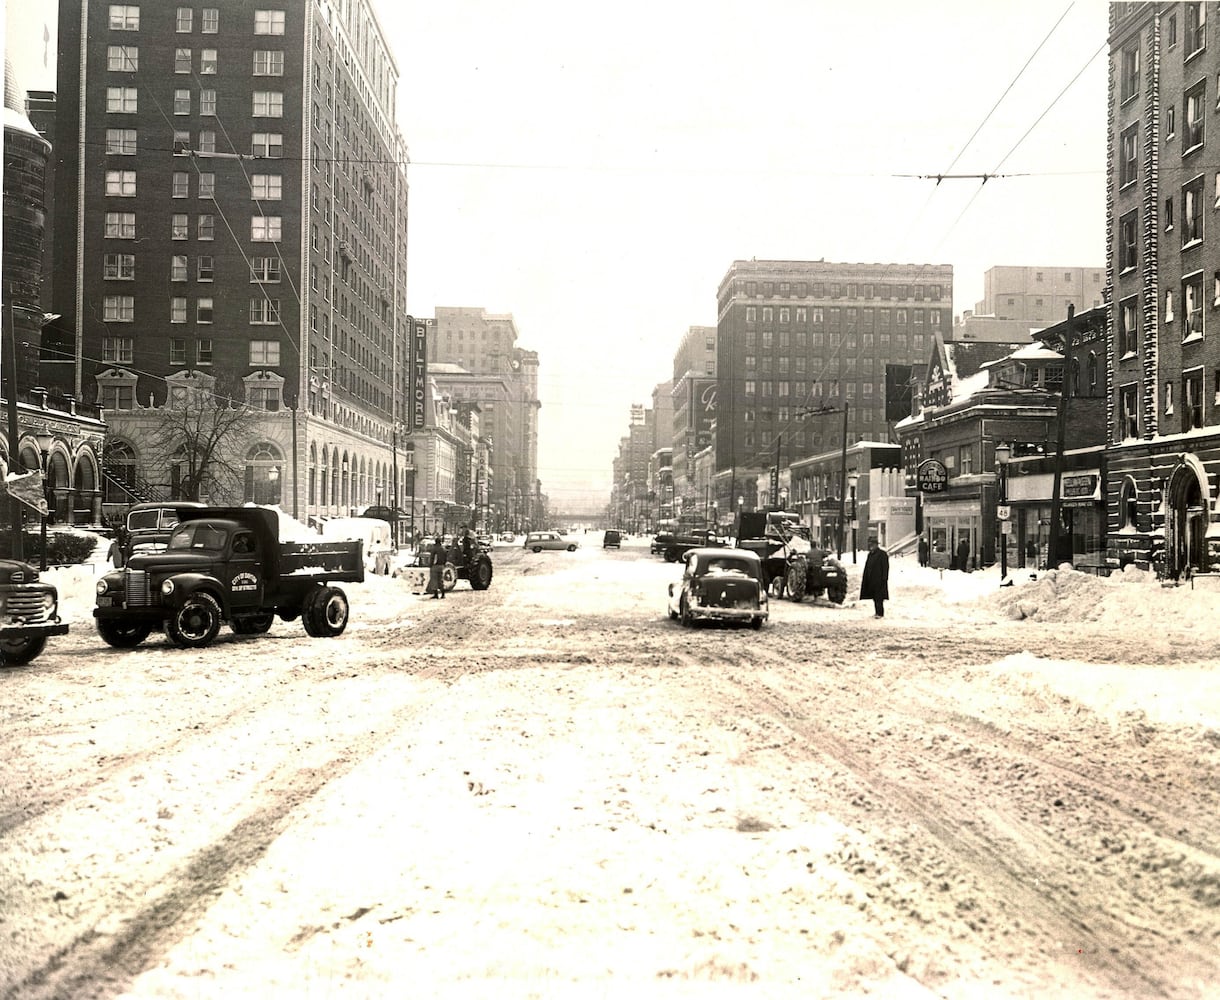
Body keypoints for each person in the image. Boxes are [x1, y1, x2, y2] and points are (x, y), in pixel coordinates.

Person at [859, 537, 890, 619]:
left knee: (879, 597)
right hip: (871, 580)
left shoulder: (882, 554)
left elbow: (885, 567)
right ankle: (877, 612)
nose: (871, 546)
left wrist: (884, 578)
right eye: (870, 545)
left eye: (872, 544)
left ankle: (880, 613)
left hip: (879, 579)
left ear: (876, 545)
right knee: (874, 597)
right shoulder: (870, 554)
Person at [424, 534, 447, 599]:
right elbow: (446, 558)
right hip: (441, 566)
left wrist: (430, 565)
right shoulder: (443, 549)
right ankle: (443, 594)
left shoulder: (434, 549)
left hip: (435, 566)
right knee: (441, 580)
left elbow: (432, 558)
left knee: (434, 581)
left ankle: (436, 595)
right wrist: (444, 564)